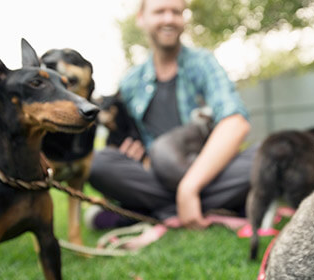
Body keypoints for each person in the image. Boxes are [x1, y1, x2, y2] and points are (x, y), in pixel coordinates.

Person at [88, 0, 253, 231]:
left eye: (176, 12)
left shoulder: (203, 63)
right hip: (155, 175)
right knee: (98, 163)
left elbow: (236, 123)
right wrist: (129, 151)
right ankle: (222, 204)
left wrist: (190, 187)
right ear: (141, 18)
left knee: (269, 155)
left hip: (209, 170)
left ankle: (152, 211)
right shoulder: (130, 82)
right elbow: (122, 135)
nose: (168, 19)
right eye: (159, 12)